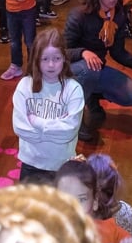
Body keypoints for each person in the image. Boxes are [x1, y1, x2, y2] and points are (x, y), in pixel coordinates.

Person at [63, 0, 132, 143]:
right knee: (90, 69)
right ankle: (74, 121)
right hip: (69, 70)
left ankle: (92, 97)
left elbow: (118, 53)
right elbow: (60, 52)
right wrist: (83, 52)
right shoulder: (79, 15)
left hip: (94, 68)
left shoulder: (119, 16)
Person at [11, 27, 85, 183]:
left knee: (58, 207)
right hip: (31, 163)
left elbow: (69, 131)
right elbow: (20, 127)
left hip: (62, 164)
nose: (51, 65)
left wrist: (37, 122)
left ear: (64, 58)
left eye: (56, 58)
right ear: (36, 59)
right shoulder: (25, 86)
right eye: (45, 59)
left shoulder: (74, 89)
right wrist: (57, 126)